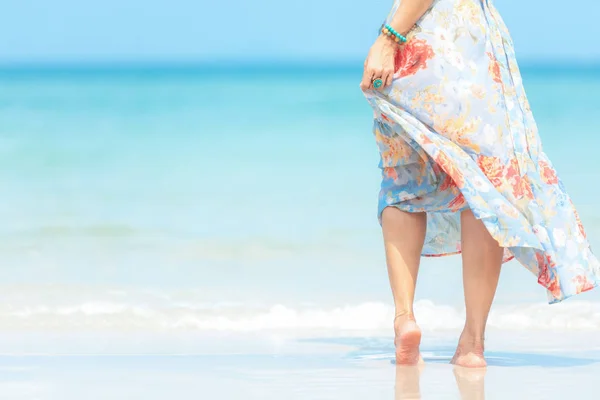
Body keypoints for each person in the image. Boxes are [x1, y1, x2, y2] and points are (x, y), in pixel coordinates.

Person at [360, 0, 600, 367]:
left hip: (419, 36)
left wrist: (388, 38)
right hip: (473, 43)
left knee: (403, 181)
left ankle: (404, 317)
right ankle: (472, 342)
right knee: (482, 188)